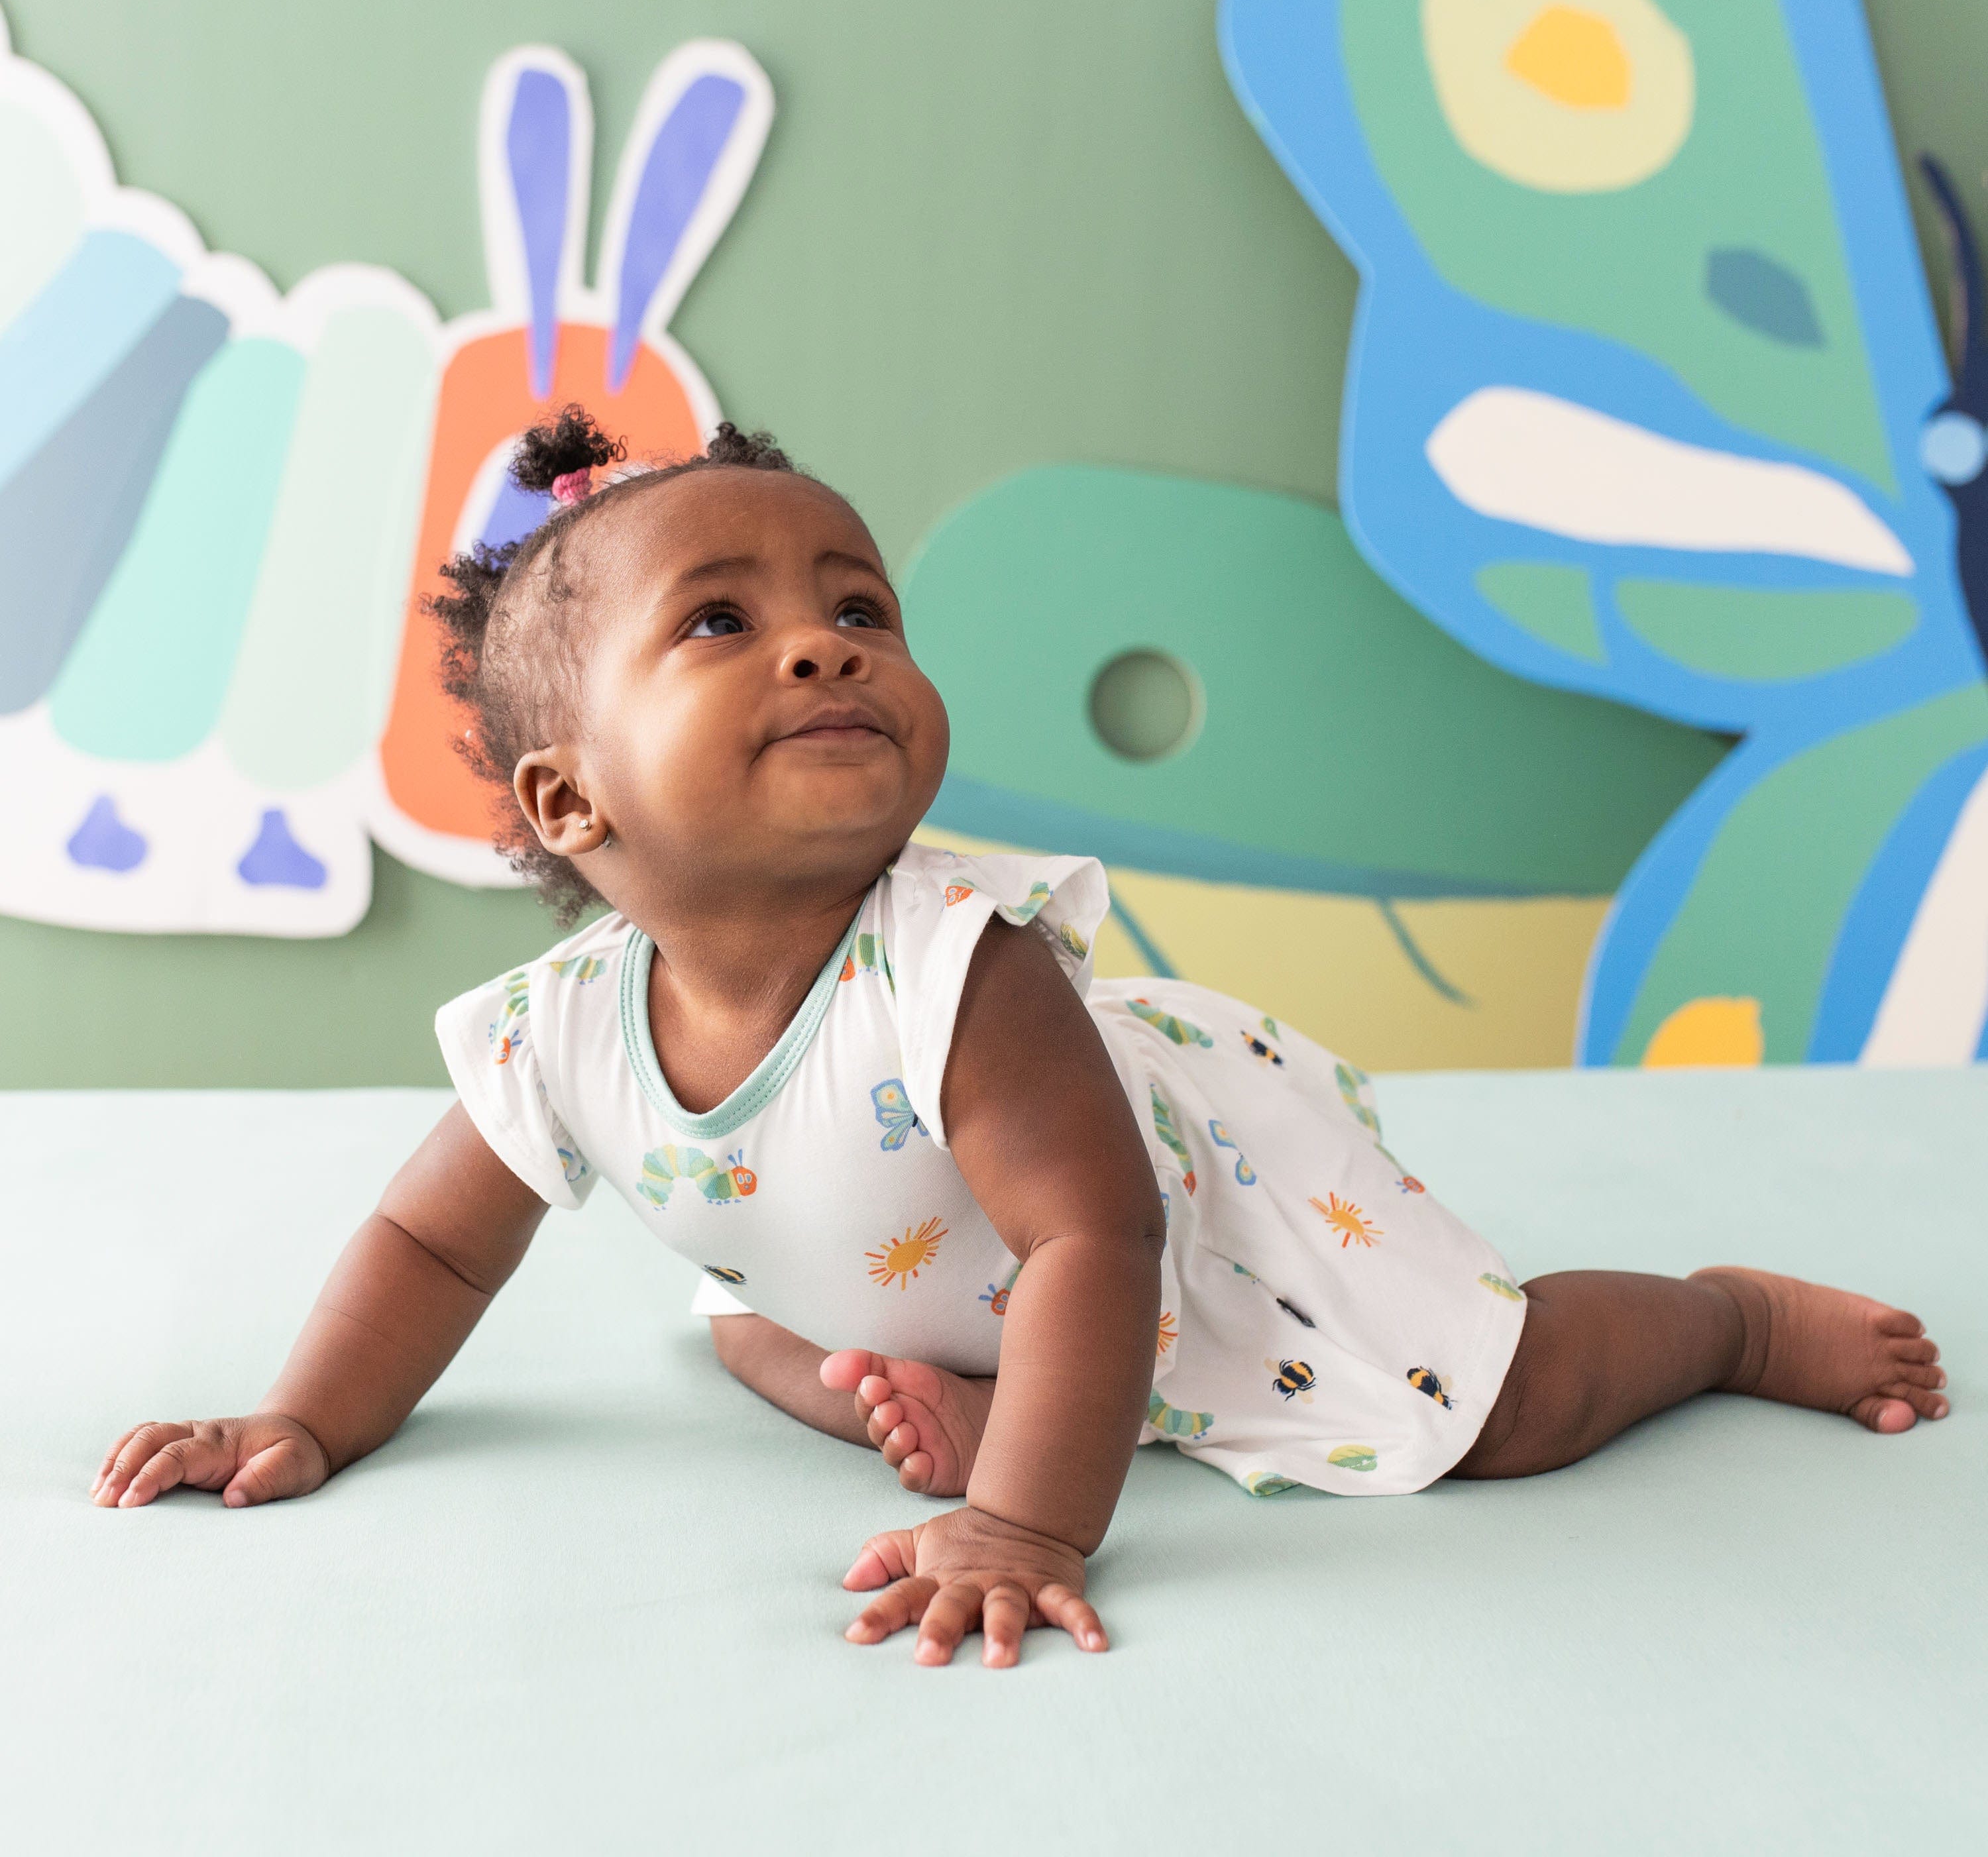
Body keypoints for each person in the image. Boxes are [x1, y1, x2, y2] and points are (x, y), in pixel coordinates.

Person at [91, 411, 1950, 1669]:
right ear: (572, 804)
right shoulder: (560, 1031)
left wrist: (1021, 1532)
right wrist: (305, 1419)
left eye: (858, 608)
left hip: (1185, 1234)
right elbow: (430, 1242)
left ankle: (1723, 1315)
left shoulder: (957, 967)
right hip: (910, 1274)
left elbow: (1097, 1238)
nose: (824, 647)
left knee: (1506, 1410)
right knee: (750, 1329)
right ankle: (968, 1397)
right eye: (723, 623)